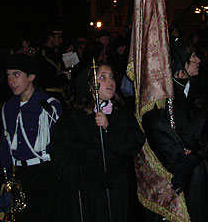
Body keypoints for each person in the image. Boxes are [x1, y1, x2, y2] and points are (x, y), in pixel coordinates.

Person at [50, 61, 145, 222]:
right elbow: (60, 149)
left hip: (115, 185)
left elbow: (135, 142)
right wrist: (78, 174)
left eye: (112, 77)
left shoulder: (121, 112)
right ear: (91, 84)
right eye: (103, 77)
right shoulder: (74, 116)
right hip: (86, 186)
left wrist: (109, 129)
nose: (110, 82)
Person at [142, 41, 208, 222]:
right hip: (173, 170)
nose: (197, 60)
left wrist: (195, 156)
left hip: (196, 168)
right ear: (179, 61)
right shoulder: (162, 95)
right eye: (192, 56)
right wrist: (179, 160)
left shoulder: (202, 89)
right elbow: (158, 130)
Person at [0, 53, 62, 222]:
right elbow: (5, 143)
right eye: (8, 76)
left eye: (17, 75)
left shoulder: (48, 106)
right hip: (18, 174)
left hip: (43, 173)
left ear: (31, 76)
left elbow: (60, 144)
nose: (11, 81)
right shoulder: (8, 107)